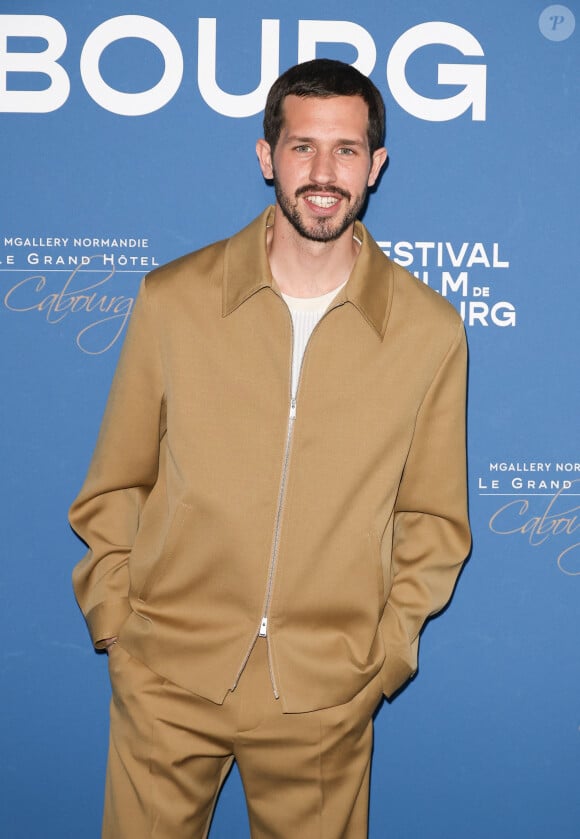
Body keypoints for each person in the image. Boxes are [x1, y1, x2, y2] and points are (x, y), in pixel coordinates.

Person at [70, 58, 471, 839]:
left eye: (347, 149)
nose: (324, 173)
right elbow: (116, 481)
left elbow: (433, 518)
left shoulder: (429, 331)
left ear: (375, 165)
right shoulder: (173, 299)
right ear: (267, 157)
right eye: (302, 147)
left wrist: (382, 657)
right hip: (166, 679)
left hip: (325, 696)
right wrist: (117, 621)